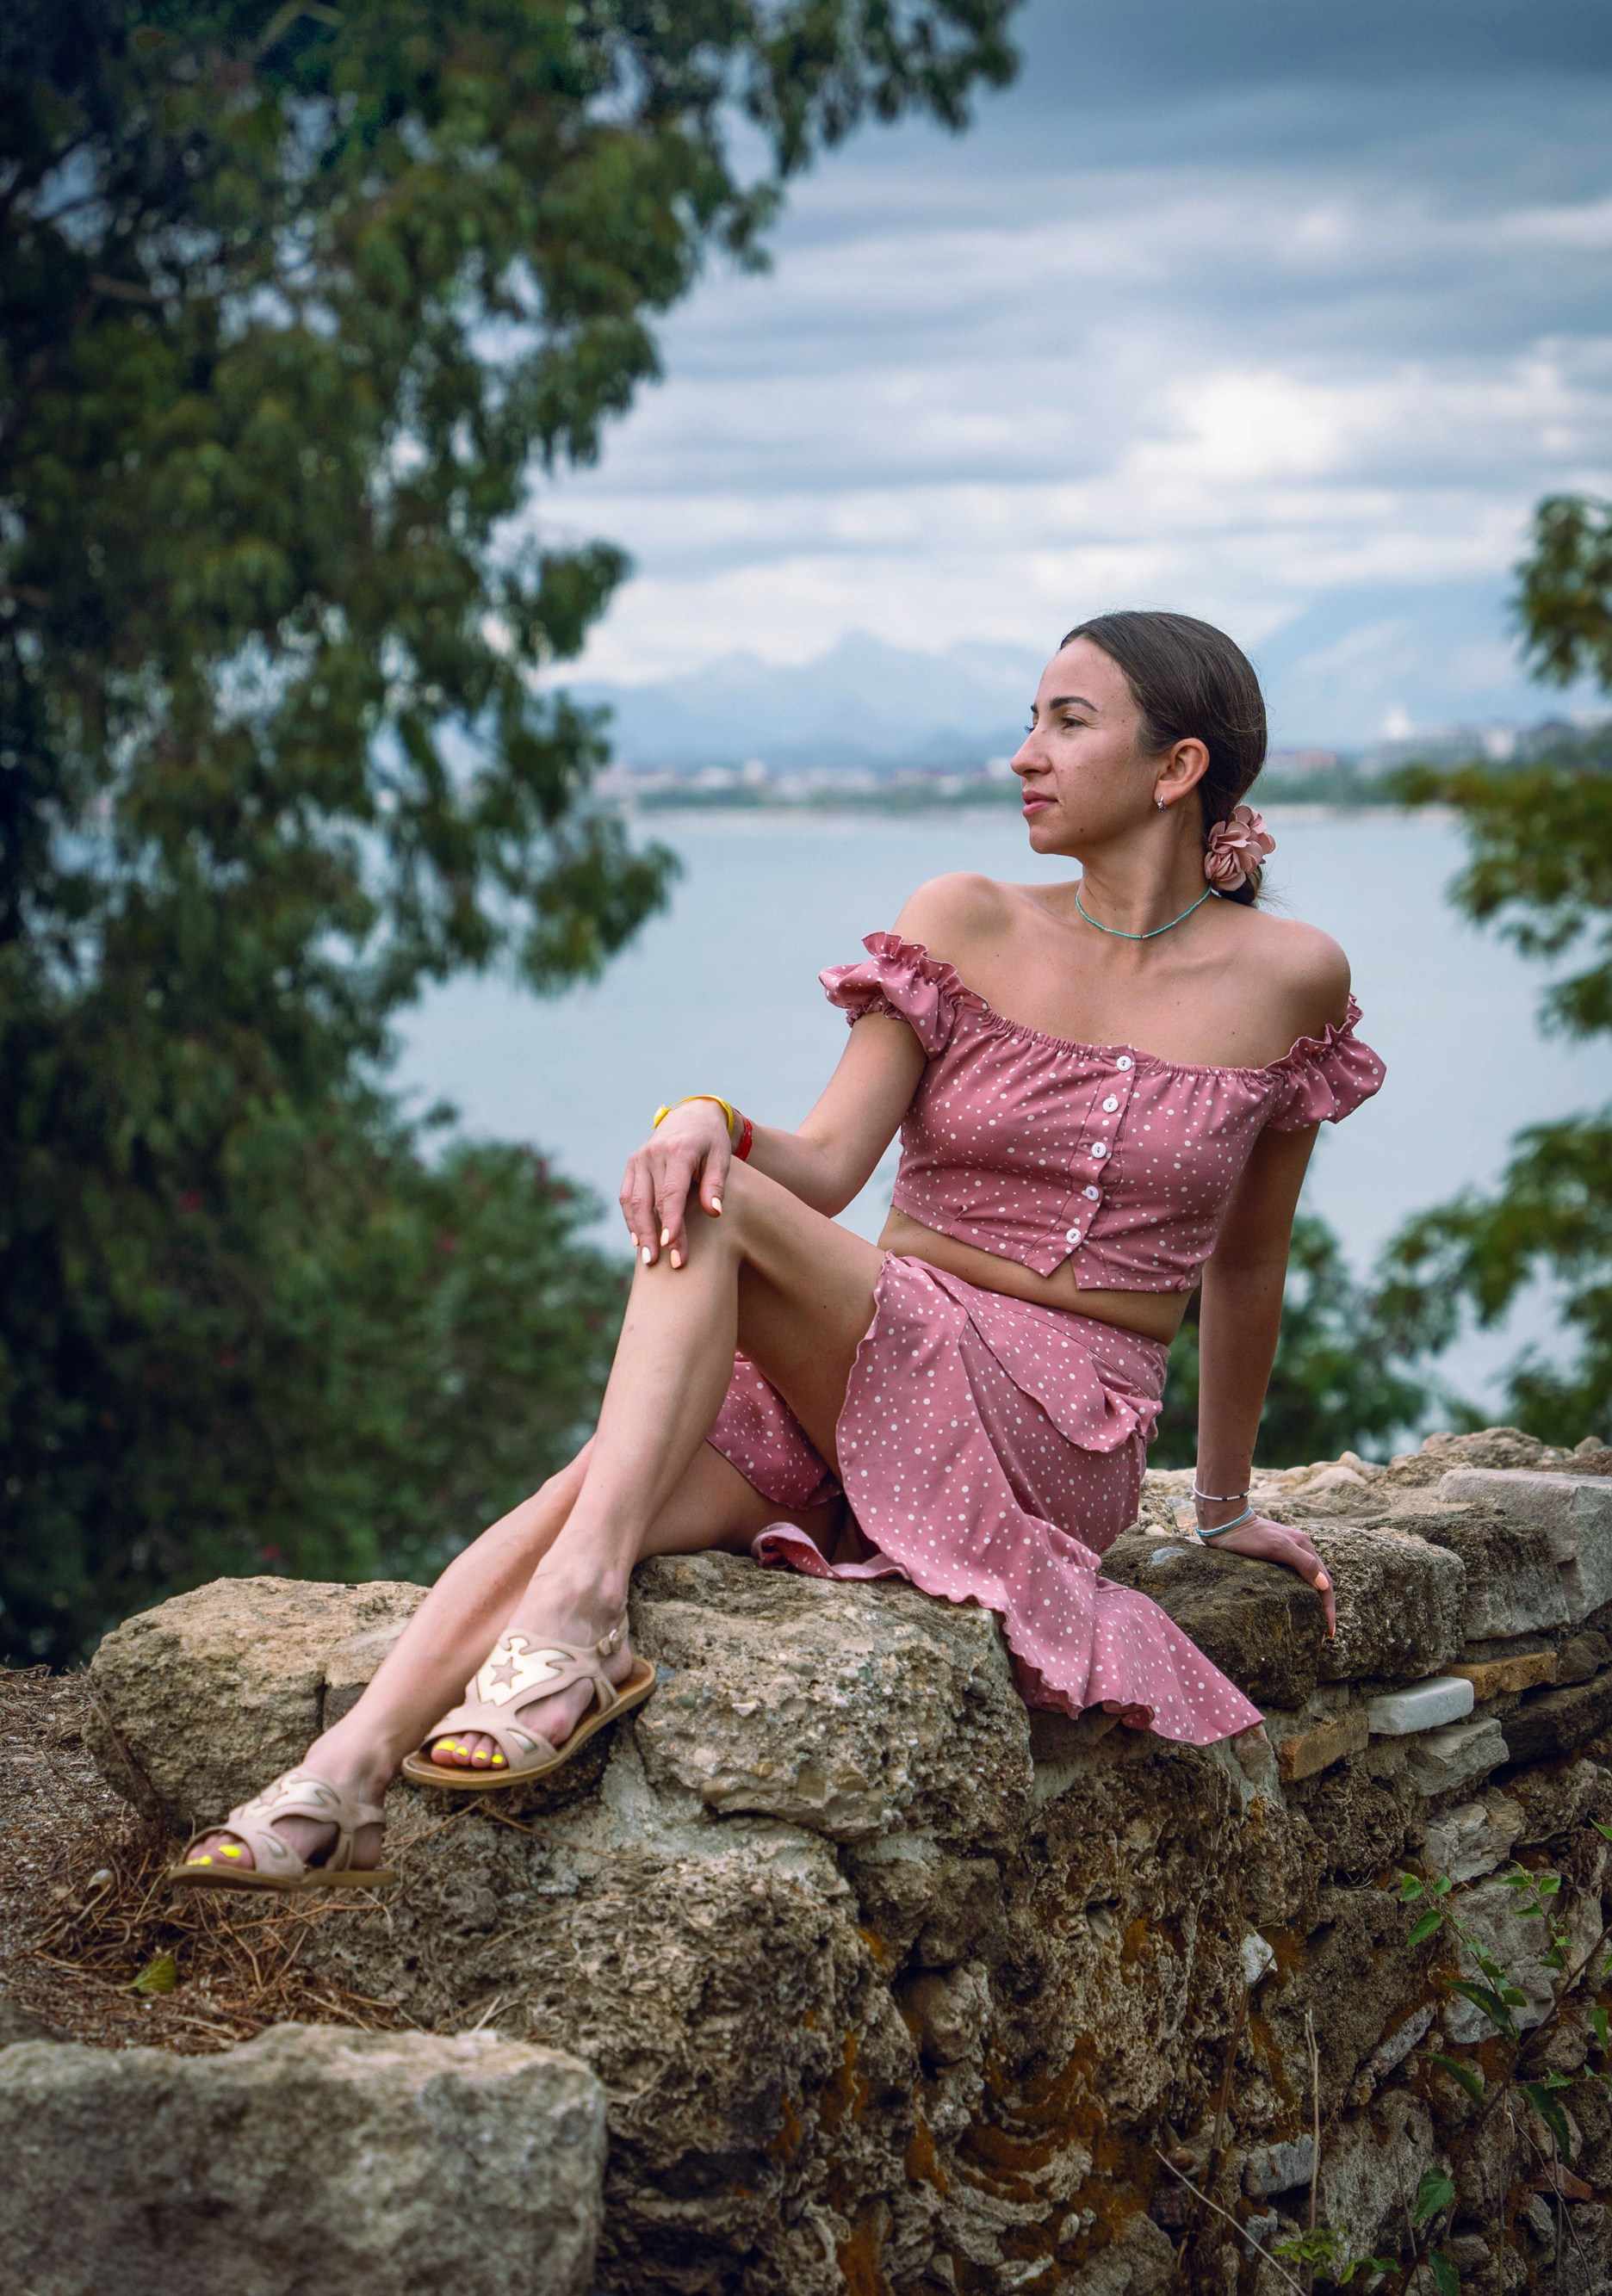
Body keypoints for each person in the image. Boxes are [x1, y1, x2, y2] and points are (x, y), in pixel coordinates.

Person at [173, 610, 1382, 1891]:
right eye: (1028, 720)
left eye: (1067, 723)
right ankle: (350, 1770)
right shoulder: (963, 918)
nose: (1025, 754)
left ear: (1178, 768)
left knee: (701, 1264)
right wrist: (709, 1117)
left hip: (1060, 1424)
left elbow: (1247, 1264)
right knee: (600, 1485)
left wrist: (1222, 1503)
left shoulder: (1288, 978)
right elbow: (817, 1165)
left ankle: (576, 1627)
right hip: (874, 1362)